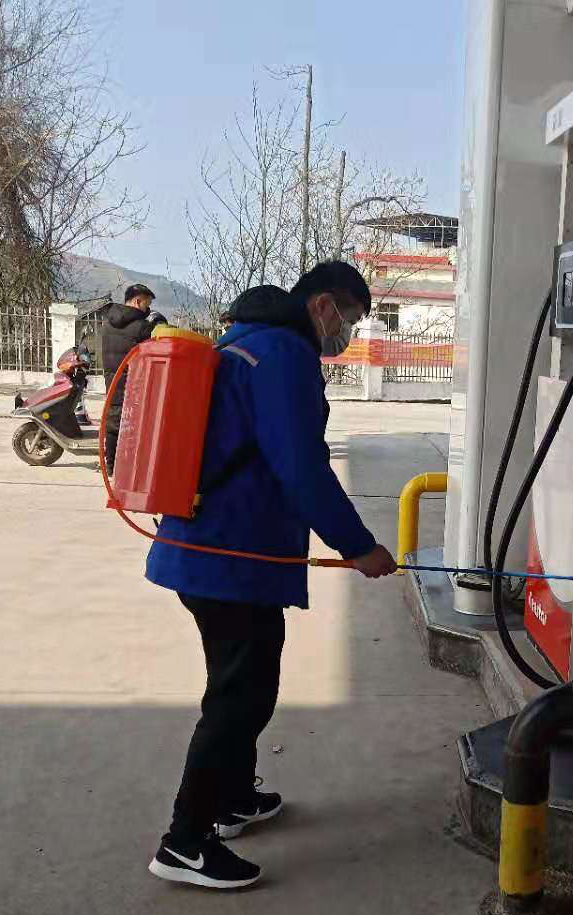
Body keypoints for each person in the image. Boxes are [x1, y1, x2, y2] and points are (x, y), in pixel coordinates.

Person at [142, 262, 398, 890]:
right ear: (324, 306)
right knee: (240, 696)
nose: (347, 334)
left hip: (212, 550)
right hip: (232, 556)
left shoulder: (245, 341)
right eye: (349, 319)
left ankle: (231, 799)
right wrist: (359, 547)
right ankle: (185, 843)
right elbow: (302, 467)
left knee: (242, 684)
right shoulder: (284, 355)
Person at [100, 283, 166, 472]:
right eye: (147, 304)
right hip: (134, 387)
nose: (148, 309)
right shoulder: (142, 327)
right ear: (138, 301)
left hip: (112, 383)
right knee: (133, 429)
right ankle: (128, 469)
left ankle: (110, 466)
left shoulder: (107, 323)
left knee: (113, 425)